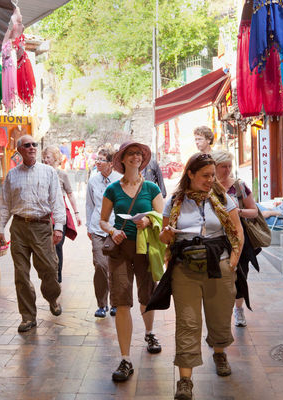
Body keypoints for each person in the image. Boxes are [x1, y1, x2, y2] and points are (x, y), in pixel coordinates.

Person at [159, 153, 243, 399]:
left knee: (219, 317)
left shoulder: (221, 198)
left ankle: (219, 352)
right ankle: (185, 381)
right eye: (205, 175)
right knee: (187, 322)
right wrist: (166, 233)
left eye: (212, 175)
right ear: (190, 174)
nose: (210, 180)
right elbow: (165, 238)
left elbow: (237, 230)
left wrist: (234, 261)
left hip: (220, 266)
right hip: (185, 269)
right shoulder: (174, 201)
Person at [100, 141, 164, 382]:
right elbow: (103, 220)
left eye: (139, 154)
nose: (136, 157)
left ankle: (149, 333)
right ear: (123, 160)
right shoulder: (113, 190)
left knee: (147, 295)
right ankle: (125, 359)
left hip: (145, 247)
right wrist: (112, 231)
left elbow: (162, 217)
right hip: (120, 247)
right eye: (131, 154)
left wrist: (148, 220)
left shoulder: (151, 188)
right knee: (122, 299)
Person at [0, 135, 65, 333]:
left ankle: (52, 298)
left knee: (50, 269)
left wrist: (59, 226)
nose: (32, 148)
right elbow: (5, 204)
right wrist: (0, 228)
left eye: (34, 144)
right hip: (19, 228)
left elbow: (57, 201)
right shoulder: (12, 175)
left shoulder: (49, 172)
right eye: (27, 145)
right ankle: (28, 316)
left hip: (42, 226)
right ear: (19, 150)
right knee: (21, 274)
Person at [213, 150, 261, 328]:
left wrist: (236, 212)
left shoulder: (239, 186)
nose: (226, 170)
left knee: (240, 274)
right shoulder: (208, 186)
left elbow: (254, 211)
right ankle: (218, 311)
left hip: (239, 237)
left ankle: (239, 309)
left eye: (229, 166)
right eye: (222, 167)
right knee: (217, 274)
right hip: (215, 239)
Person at [85, 148, 121, 318]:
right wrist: (88, 227)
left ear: (111, 163)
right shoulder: (93, 181)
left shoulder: (120, 180)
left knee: (115, 267)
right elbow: (90, 205)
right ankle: (101, 304)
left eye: (102, 160)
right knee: (100, 265)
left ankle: (115, 302)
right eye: (97, 159)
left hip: (115, 229)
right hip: (98, 229)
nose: (97, 162)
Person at [42, 145, 82, 283]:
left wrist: (76, 213)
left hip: (60, 212)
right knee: (46, 246)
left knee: (58, 244)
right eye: (44, 157)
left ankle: (57, 276)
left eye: (48, 157)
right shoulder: (41, 173)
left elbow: (70, 195)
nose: (45, 160)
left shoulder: (62, 174)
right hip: (45, 214)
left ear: (55, 158)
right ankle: (49, 273)